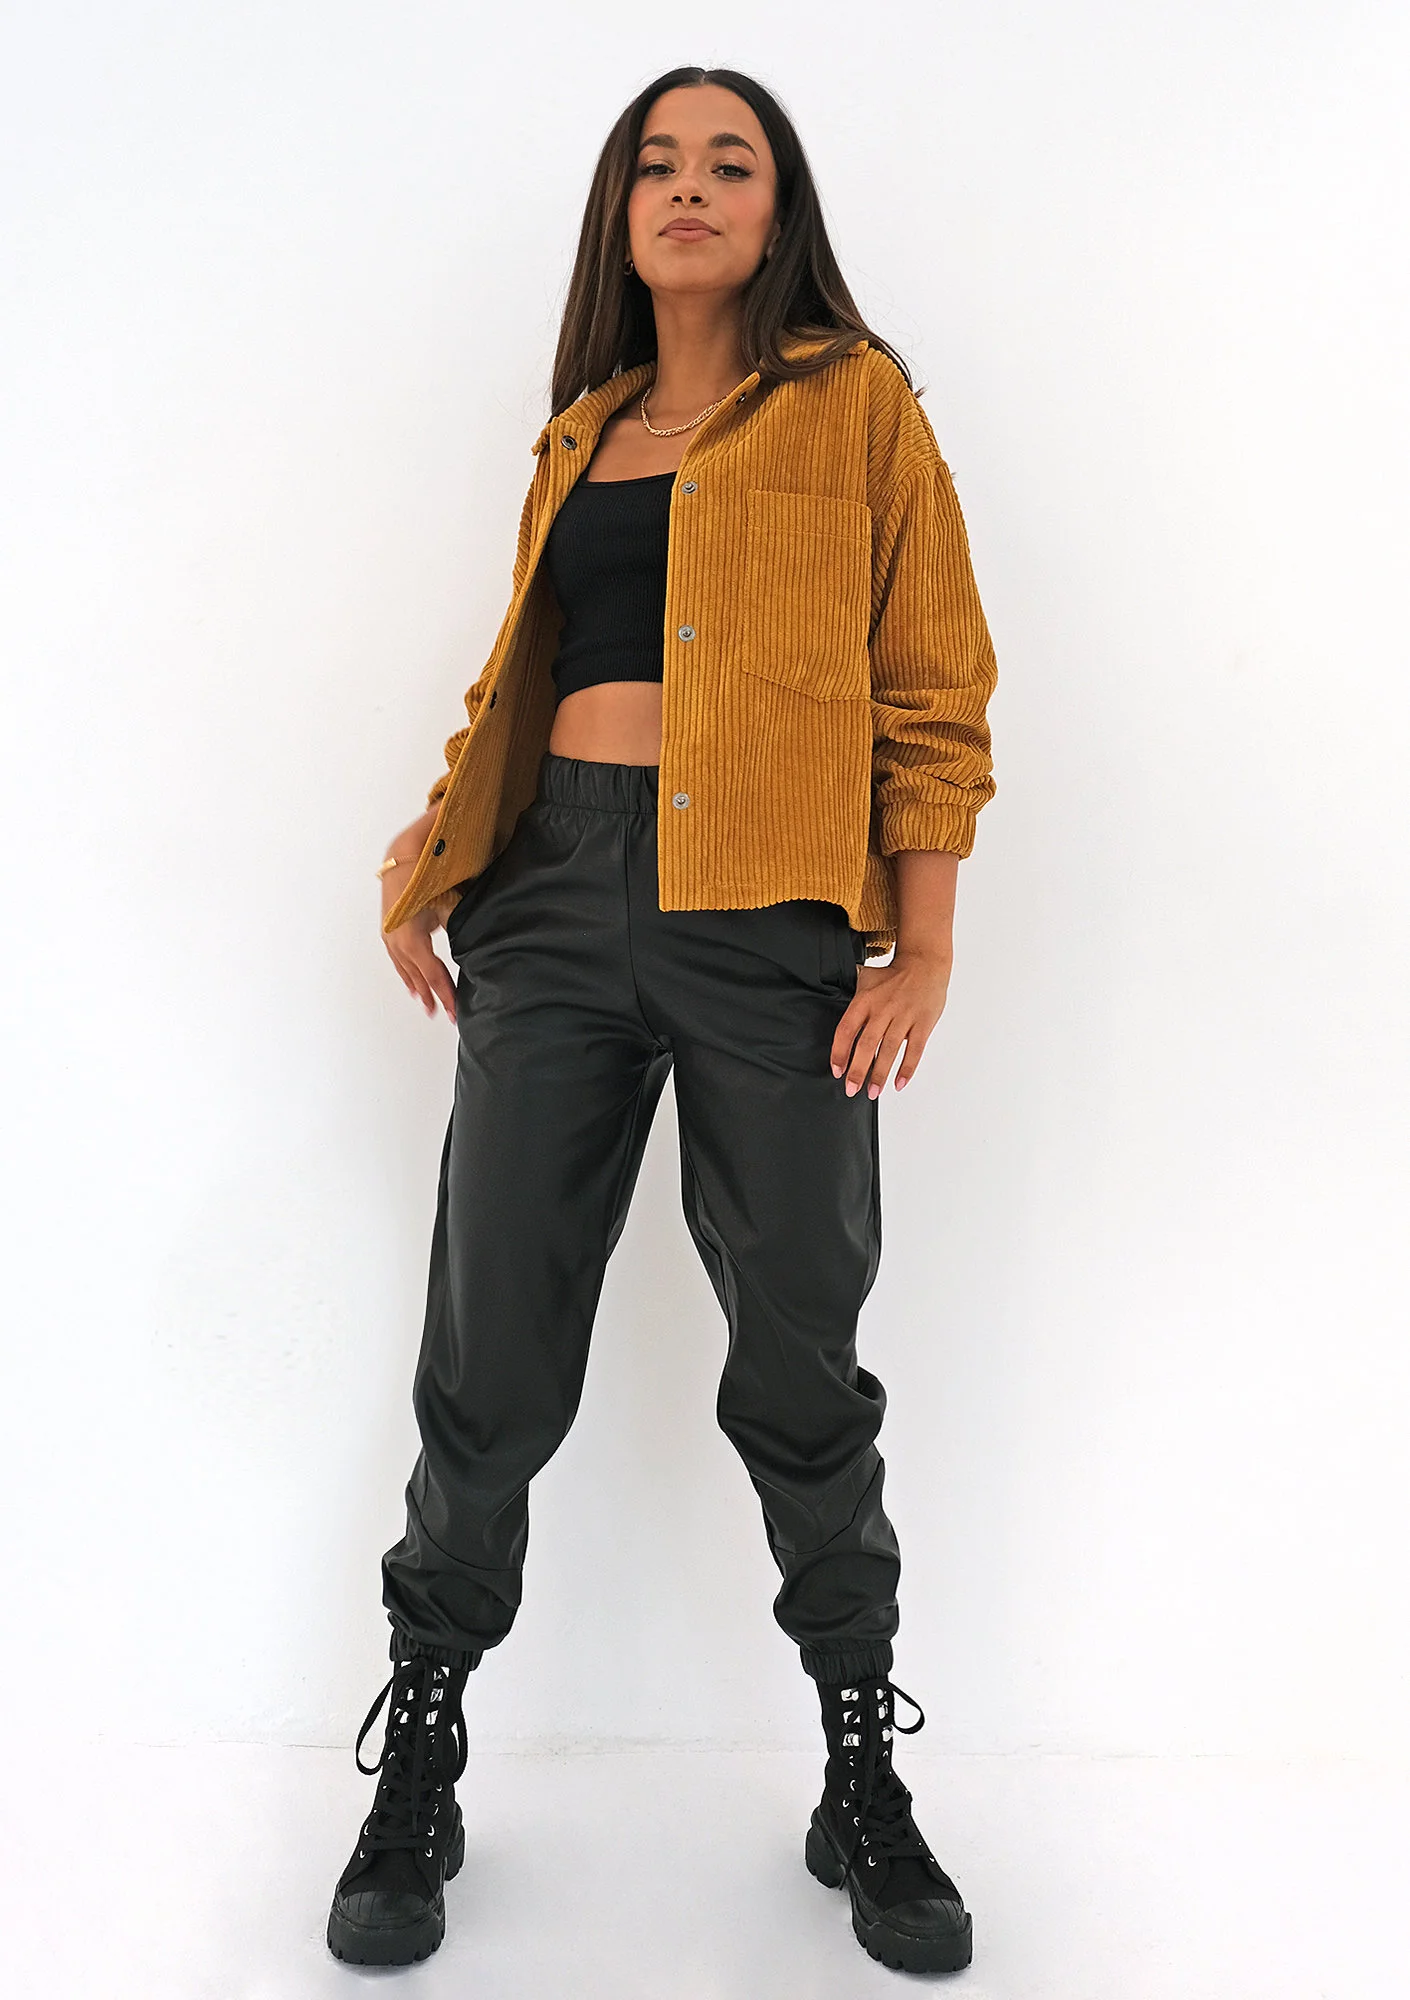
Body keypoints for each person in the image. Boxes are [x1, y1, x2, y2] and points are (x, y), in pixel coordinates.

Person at [325, 64, 997, 1978]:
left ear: (778, 210)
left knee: (798, 1346)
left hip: (765, 918)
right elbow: (523, 675)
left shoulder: (854, 404)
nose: (689, 188)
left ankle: (860, 1767)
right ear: (620, 213)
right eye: (656, 164)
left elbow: (930, 685)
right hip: (546, 899)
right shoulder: (581, 432)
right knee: (492, 1341)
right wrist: (440, 840)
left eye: (731, 162)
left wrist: (921, 947)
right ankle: (422, 1755)